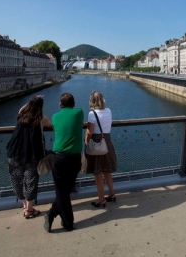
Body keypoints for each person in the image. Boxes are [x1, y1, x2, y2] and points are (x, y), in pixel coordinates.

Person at [6, 95, 52, 219]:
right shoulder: (41, 119)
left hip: (15, 151)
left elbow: (22, 109)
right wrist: (37, 102)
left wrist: (32, 101)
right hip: (31, 154)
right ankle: (29, 210)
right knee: (31, 180)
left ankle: (25, 205)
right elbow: (50, 125)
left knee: (17, 180)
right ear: (40, 107)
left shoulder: (22, 116)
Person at [44, 92, 84, 232]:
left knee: (62, 191)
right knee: (66, 189)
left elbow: (52, 124)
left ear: (60, 104)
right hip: (74, 157)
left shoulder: (55, 116)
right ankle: (66, 222)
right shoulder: (79, 113)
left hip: (58, 157)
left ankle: (54, 215)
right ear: (73, 103)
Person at [84, 91, 118, 208]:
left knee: (97, 172)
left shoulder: (92, 114)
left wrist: (86, 142)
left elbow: (89, 131)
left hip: (97, 142)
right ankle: (112, 194)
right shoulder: (108, 111)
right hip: (107, 141)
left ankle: (101, 199)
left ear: (91, 101)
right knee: (107, 170)